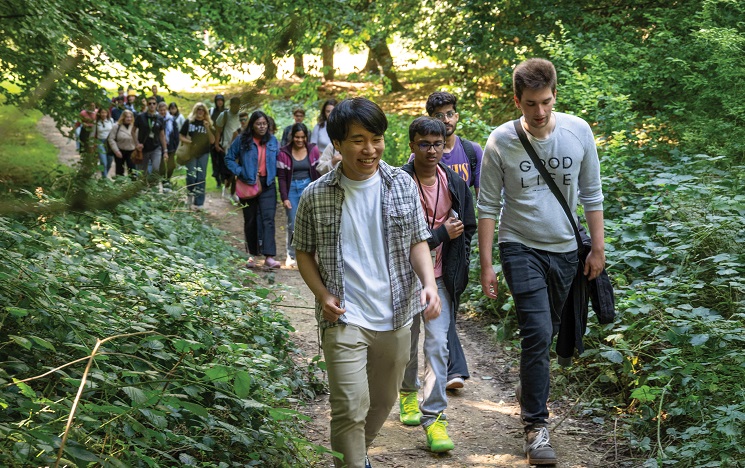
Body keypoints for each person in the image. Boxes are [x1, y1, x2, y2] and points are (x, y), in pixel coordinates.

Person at [292, 97, 441, 468]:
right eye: (358, 140)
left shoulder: (401, 184)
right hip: (344, 315)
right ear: (338, 145)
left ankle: (356, 455)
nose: (369, 149)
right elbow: (304, 253)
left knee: (383, 401)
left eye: (376, 138)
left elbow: (417, 240)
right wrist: (322, 293)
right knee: (348, 407)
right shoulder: (316, 195)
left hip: (396, 313)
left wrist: (429, 283)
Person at [477, 58, 606, 466]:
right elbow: (487, 206)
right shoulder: (500, 141)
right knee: (536, 331)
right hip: (520, 246)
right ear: (517, 100)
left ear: (555, 95)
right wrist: (486, 263)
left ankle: (529, 387)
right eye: (531, 104)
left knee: (546, 333)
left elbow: (592, 194)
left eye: (546, 102)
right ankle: (536, 427)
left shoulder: (578, 131)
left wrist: (598, 249)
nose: (540, 112)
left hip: (566, 249)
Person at [398, 117, 476, 453]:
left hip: (440, 277)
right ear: (412, 145)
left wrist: (460, 263)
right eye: (424, 144)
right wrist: (440, 235)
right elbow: (395, 236)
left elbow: (468, 226)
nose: (432, 150)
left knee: (438, 345)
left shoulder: (455, 183)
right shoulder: (398, 182)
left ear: (446, 144)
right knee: (406, 343)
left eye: (438, 144)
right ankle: (405, 393)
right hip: (402, 278)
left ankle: (435, 418)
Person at [424, 90, 484, 391]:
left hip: (459, 243)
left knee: (450, 303)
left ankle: (451, 367)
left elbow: (483, 199)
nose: (445, 120)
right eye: (438, 116)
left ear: (456, 116)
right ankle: (453, 370)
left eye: (449, 113)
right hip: (432, 243)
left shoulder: (472, 152)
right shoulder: (424, 152)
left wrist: (473, 244)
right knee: (442, 303)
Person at [225, 111, 281, 269]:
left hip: (268, 183)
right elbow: (229, 158)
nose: (262, 127)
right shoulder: (242, 140)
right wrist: (240, 171)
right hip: (248, 183)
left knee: (268, 219)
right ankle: (252, 255)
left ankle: (269, 256)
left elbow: (280, 158)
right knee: (250, 220)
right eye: (258, 124)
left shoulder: (272, 141)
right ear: (252, 125)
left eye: (264, 124)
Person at [276, 123, 320, 267]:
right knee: (292, 223)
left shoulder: (313, 150)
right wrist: (284, 197)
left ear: (306, 137)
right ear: (292, 137)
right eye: (297, 137)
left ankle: (310, 255)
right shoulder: (283, 153)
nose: (299, 140)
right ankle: (291, 255)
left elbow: (318, 172)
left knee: (311, 222)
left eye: (302, 137)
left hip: (309, 186)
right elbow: (281, 177)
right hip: (291, 188)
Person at [179, 102, 216, 210]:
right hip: (191, 153)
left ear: (205, 112)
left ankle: (199, 203)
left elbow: (212, 141)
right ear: (195, 111)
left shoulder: (208, 123)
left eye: (202, 110)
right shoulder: (189, 122)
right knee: (191, 176)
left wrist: (207, 128)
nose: (200, 112)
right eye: (198, 109)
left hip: (204, 153)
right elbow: (181, 136)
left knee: (201, 177)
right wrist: (189, 142)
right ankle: (190, 195)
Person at [215, 97, 243, 199]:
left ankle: (233, 192)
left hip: (240, 146)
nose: (235, 107)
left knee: (238, 170)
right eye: (233, 105)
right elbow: (218, 130)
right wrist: (217, 144)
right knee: (232, 170)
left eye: (237, 105)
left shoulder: (241, 116)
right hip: (228, 146)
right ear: (230, 105)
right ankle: (228, 188)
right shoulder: (225, 115)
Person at [133, 97, 168, 177]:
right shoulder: (140, 117)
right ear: (147, 105)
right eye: (150, 103)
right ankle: (144, 188)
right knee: (142, 172)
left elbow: (162, 135)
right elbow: (133, 131)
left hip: (156, 147)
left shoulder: (160, 118)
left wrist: (165, 151)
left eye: (154, 103)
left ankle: (153, 187)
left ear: (156, 105)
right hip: (143, 148)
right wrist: (137, 144)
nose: (152, 105)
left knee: (155, 169)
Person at [108, 109, 137, 178]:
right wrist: (116, 150)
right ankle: (120, 185)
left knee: (132, 170)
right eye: (127, 117)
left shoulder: (134, 127)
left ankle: (133, 186)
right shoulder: (116, 126)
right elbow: (111, 139)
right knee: (119, 171)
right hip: (120, 150)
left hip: (131, 151)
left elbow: (138, 138)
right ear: (123, 117)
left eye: (130, 117)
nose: (129, 119)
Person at [157, 102, 177, 189]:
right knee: (161, 166)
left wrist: (176, 145)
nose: (162, 112)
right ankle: (163, 181)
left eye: (164, 110)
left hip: (171, 145)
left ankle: (168, 179)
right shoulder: (156, 119)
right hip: (160, 146)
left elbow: (176, 133)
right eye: (161, 110)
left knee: (171, 165)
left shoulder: (171, 119)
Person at [210, 94, 226, 188]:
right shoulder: (212, 112)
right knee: (215, 161)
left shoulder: (226, 112)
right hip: (213, 139)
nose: (219, 102)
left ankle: (224, 179)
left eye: (221, 100)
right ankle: (218, 180)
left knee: (223, 160)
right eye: (218, 100)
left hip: (223, 139)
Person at [94, 107, 115, 178]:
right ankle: (104, 179)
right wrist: (91, 145)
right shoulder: (96, 122)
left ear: (107, 113)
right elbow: (92, 133)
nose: (103, 114)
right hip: (100, 142)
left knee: (109, 162)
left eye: (105, 112)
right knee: (103, 162)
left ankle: (104, 175)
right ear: (99, 113)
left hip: (110, 143)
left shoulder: (111, 120)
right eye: (102, 112)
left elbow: (114, 132)